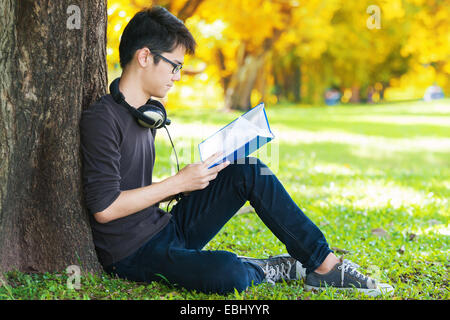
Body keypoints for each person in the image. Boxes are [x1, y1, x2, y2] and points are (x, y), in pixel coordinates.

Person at [80, 6, 393, 297]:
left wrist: (197, 179)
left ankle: (325, 264)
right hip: (132, 252)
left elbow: (137, 188)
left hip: (165, 228)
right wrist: (177, 183)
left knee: (247, 168)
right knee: (228, 273)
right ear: (145, 57)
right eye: (174, 65)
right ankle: (267, 267)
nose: (177, 76)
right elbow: (105, 208)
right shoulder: (103, 119)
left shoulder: (148, 113)